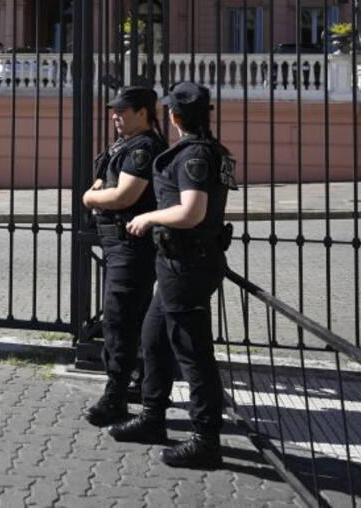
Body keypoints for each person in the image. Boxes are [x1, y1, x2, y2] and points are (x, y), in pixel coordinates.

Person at [110, 81, 236, 470]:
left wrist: (147, 216)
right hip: (176, 264)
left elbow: (191, 212)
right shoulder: (197, 149)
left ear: (175, 116)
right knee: (154, 340)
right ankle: (152, 418)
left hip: (188, 264)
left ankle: (205, 440)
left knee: (193, 353)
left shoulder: (195, 154)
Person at [81, 86, 166, 428]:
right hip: (119, 245)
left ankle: (114, 397)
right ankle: (137, 385)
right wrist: (100, 192)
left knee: (119, 322)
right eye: (114, 109)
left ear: (143, 112)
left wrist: (91, 199)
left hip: (130, 246)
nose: (115, 115)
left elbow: (123, 195)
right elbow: (105, 180)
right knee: (128, 318)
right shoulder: (126, 145)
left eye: (123, 110)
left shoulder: (144, 148)